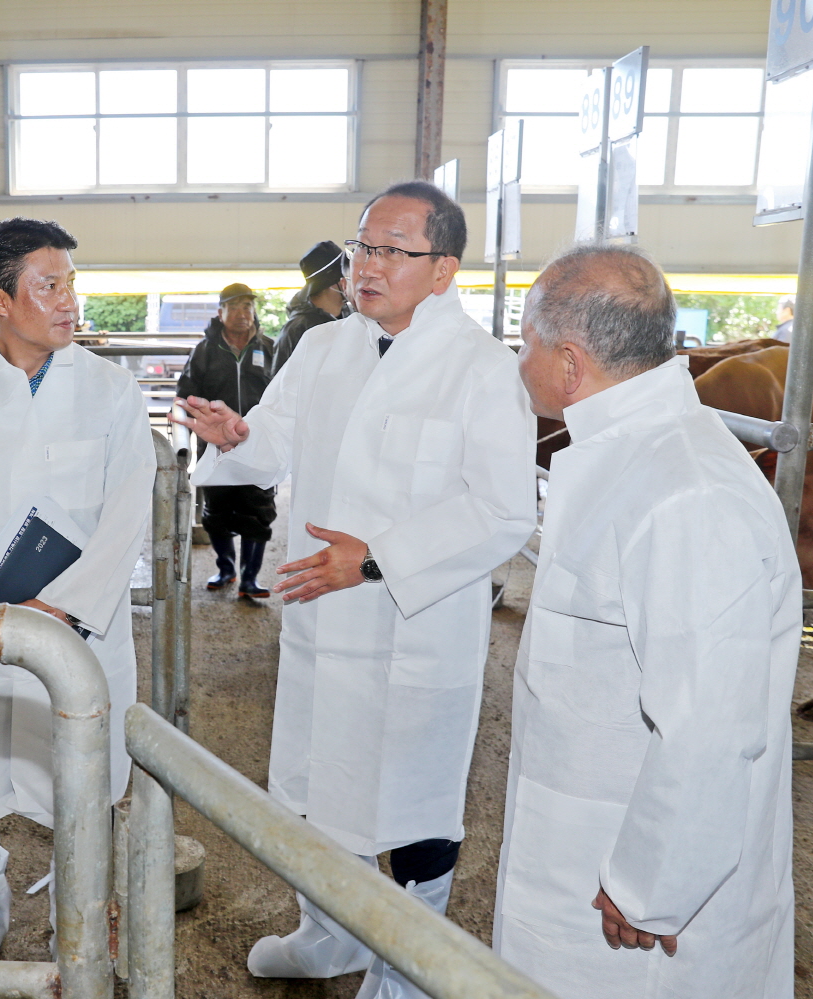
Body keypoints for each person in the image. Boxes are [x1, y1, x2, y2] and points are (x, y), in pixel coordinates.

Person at [174, 181, 537, 999]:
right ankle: (327, 931)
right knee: (316, 783)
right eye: (361, 247)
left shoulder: (481, 368)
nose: (366, 266)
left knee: (414, 796)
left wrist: (375, 559)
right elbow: (270, 444)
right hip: (323, 612)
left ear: (443, 269)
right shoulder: (327, 346)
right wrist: (238, 437)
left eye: (391, 251)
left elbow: (504, 510)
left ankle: (408, 963)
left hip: (415, 622)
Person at [494, 244, 800, 998]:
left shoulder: (684, 491)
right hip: (583, 847)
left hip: (636, 910)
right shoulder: (628, 456)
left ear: (569, 361)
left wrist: (651, 882)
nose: (518, 359)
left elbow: (713, 722)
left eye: (525, 341)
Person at [0, 217, 155, 961]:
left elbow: (125, 511)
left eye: (71, 282)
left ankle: (80, 902)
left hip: (81, 622)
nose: (69, 299)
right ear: (1, 299)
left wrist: (62, 607)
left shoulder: (112, 391)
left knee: (83, 766)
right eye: (50, 285)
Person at [175, 282, 277, 598]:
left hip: (257, 444)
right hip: (217, 447)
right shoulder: (204, 351)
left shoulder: (269, 348)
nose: (243, 313)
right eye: (235, 307)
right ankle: (226, 568)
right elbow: (186, 394)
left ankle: (249, 578)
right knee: (217, 511)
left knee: (258, 508)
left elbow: (284, 396)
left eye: (248, 306)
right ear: (221, 313)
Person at [271, 240, 350, 375]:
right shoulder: (297, 329)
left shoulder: (353, 319)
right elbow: (279, 386)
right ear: (334, 282)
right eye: (347, 276)